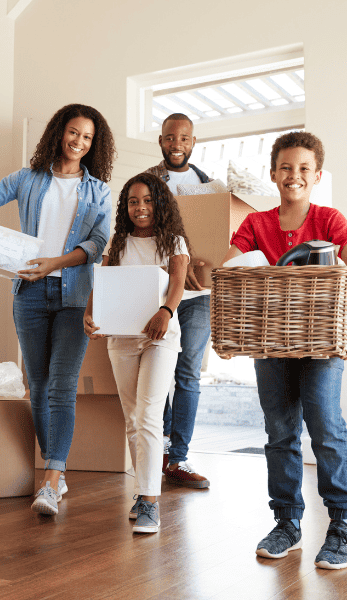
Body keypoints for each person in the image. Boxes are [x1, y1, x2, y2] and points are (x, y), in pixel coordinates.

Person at [222, 131, 347, 570]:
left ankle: (342, 523)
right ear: (273, 174)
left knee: (325, 425)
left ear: (317, 175)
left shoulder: (328, 220)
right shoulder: (256, 225)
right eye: (286, 167)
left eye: (304, 168)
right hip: (271, 344)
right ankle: (287, 523)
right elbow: (230, 271)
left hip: (322, 341)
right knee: (280, 431)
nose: (294, 175)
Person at [0, 104, 115, 516]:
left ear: (93, 145)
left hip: (74, 295)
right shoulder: (27, 179)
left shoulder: (98, 190)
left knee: (63, 387)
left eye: (87, 137)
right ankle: (57, 475)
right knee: (39, 386)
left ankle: (49, 480)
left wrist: (55, 263)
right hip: (27, 294)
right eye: (73, 133)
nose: (78, 142)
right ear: (58, 132)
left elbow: (99, 244)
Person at [84, 173, 190, 533]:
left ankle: (149, 502)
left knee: (147, 414)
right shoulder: (118, 243)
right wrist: (91, 313)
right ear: (125, 206)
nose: (140, 207)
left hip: (161, 336)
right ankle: (142, 492)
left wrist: (166, 311)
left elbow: (177, 280)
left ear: (159, 202)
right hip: (123, 338)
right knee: (132, 418)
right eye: (133, 201)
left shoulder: (173, 241)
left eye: (147, 200)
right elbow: (105, 281)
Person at [145, 113, 212, 488]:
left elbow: (218, 235)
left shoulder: (210, 187)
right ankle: (164, 447)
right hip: (160, 289)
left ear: (192, 142)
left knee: (188, 372)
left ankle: (180, 457)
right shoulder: (149, 183)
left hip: (199, 293)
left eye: (183, 139)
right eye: (170, 138)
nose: (176, 145)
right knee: (159, 365)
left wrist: (200, 263)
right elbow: (139, 226)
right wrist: (177, 262)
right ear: (161, 141)